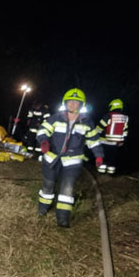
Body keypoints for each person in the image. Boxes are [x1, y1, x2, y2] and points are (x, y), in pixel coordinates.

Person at [36, 88, 104, 228]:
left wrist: (99, 156)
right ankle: (43, 209)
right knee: (48, 185)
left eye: (76, 102)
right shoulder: (56, 117)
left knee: (67, 188)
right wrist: (44, 141)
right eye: (70, 101)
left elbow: (94, 140)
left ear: (81, 104)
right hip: (52, 158)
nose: (72, 104)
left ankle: (63, 218)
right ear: (65, 103)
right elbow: (43, 130)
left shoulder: (87, 122)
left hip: (73, 161)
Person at [96, 99, 128, 174]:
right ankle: (111, 173)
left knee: (103, 158)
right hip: (115, 143)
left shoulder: (108, 115)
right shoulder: (125, 118)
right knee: (111, 159)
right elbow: (125, 131)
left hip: (104, 141)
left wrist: (95, 135)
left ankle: (101, 173)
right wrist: (122, 141)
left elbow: (100, 126)